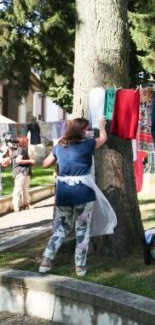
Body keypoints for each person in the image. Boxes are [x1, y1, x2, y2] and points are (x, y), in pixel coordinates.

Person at [39, 118, 117, 277]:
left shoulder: (60, 146)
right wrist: (101, 126)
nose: (88, 131)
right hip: (83, 193)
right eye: (87, 129)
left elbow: (45, 164)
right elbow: (103, 139)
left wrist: (58, 151)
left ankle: (46, 259)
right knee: (82, 230)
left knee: (61, 228)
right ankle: (80, 267)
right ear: (82, 131)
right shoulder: (87, 145)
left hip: (63, 194)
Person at [12, 136, 35, 211]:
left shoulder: (19, 150)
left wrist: (29, 163)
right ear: (23, 142)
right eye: (27, 141)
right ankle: (16, 206)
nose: (28, 142)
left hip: (24, 171)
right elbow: (18, 161)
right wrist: (30, 161)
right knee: (18, 189)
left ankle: (26, 204)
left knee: (25, 189)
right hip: (21, 172)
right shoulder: (21, 150)